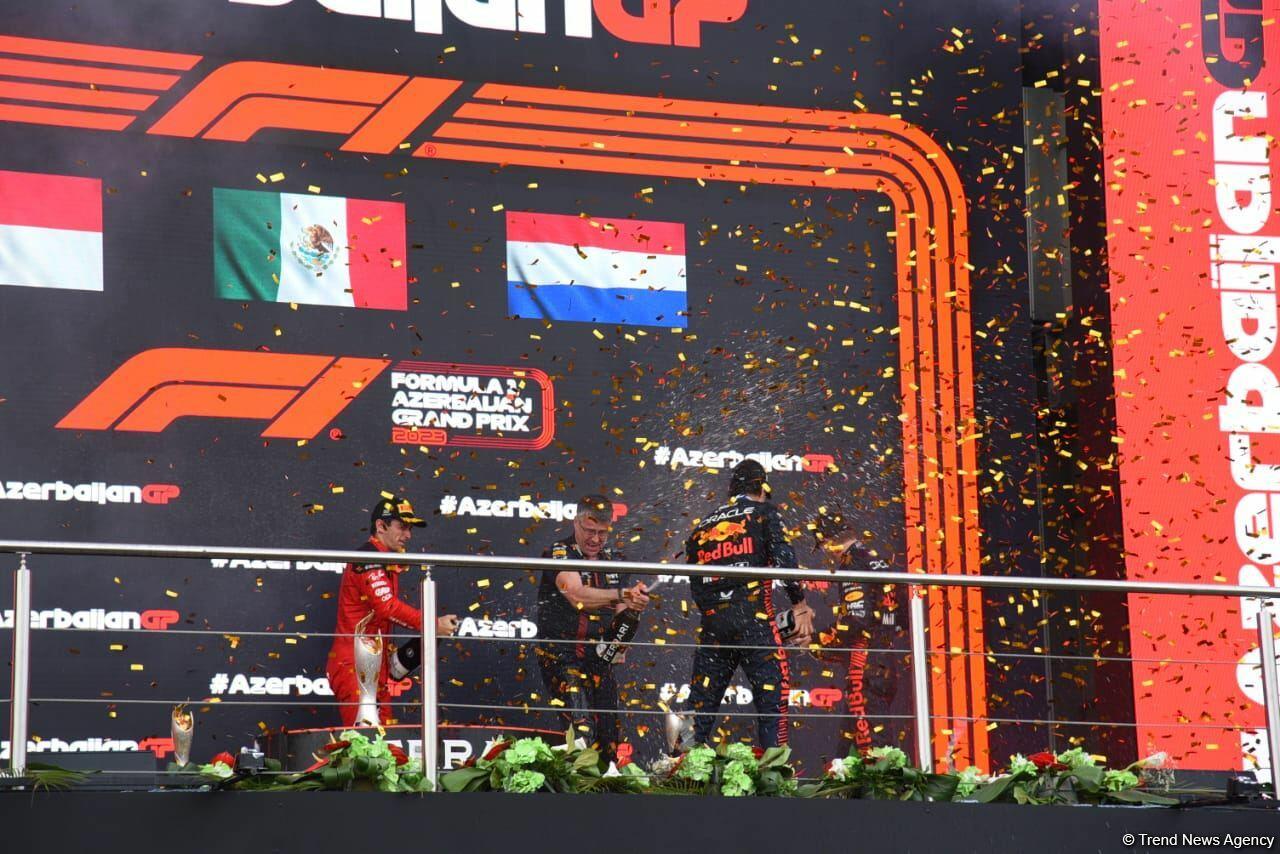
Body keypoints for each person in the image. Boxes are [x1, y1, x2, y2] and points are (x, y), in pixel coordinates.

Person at [684, 459, 815, 748]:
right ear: (762, 489)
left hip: (713, 626)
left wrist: (720, 612)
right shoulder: (764, 512)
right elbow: (784, 561)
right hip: (754, 622)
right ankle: (774, 770)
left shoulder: (701, 527)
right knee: (772, 703)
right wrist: (800, 605)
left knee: (699, 707)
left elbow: (696, 587)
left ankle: (679, 769)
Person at [327, 495, 459, 727]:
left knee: (383, 743)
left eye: (410, 529)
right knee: (364, 744)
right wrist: (432, 624)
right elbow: (387, 608)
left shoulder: (384, 560)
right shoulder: (367, 558)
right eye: (402, 527)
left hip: (373, 664)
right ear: (381, 526)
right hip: (354, 665)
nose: (408, 535)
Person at [535, 494, 650, 760]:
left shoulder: (616, 560)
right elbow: (576, 595)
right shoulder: (559, 552)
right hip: (562, 655)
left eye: (602, 532)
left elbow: (622, 619)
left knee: (608, 740)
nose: (596, 539)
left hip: (599, 659)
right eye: (589, 531)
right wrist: (622, 594)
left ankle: (604, 781)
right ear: (576, 522)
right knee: (582, 732)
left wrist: (635, 607)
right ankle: (575, 783)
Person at [811, 508, 909, 753]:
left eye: (823, 546)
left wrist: (820, 640)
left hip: (863, 663)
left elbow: (857, 620)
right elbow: (902, 618)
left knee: (872, 745)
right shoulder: (877, 560)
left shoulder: (852, 563)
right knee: (851, 744)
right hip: (885, 658)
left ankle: (884, 777)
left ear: (830, 541)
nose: (826, 552)